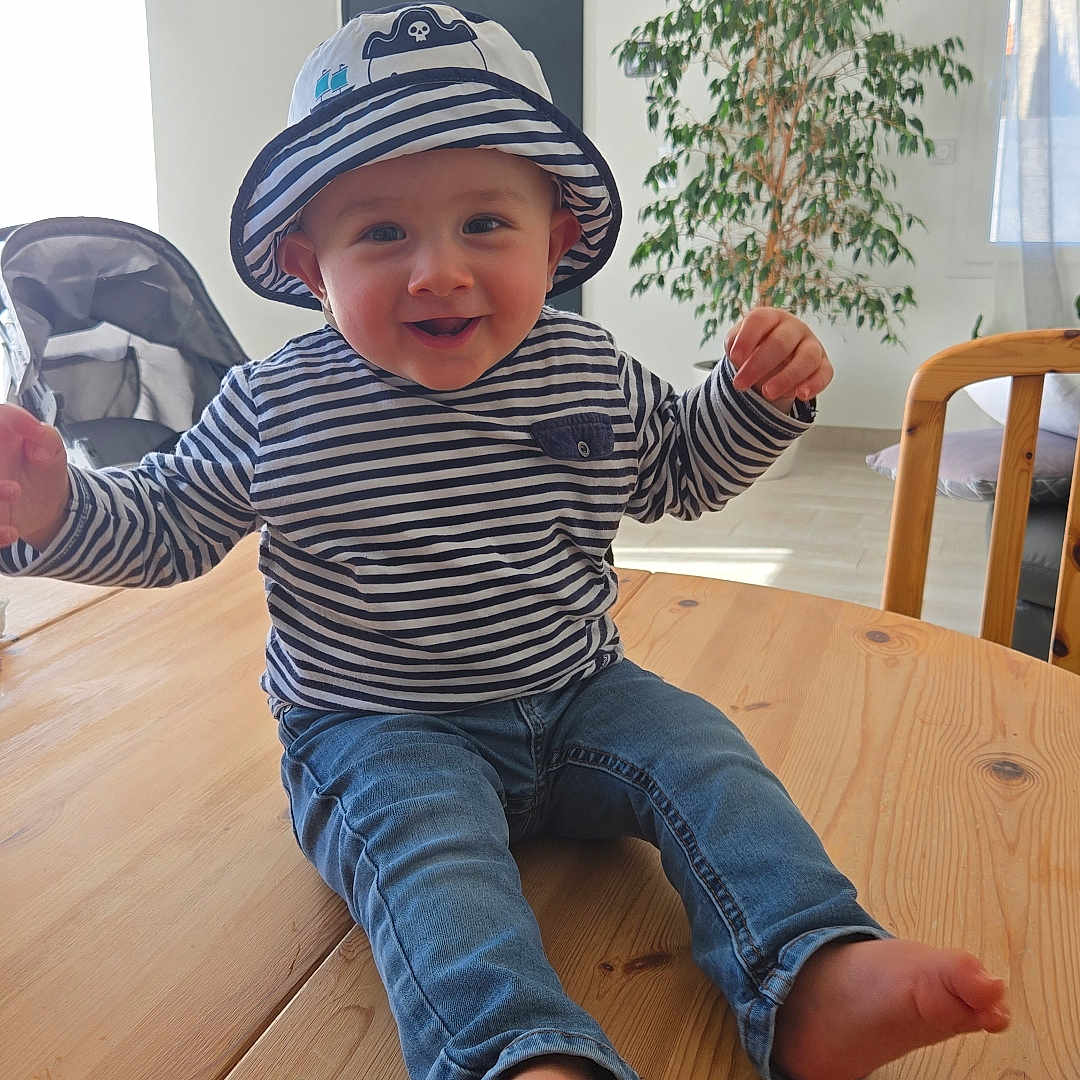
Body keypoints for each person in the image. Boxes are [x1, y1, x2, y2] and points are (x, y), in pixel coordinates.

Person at [0, 7, 1009, 1080]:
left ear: (556, 240)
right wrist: (59, 510)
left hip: (583, 693)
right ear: (309, 264)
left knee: (710, 760)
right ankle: (517, 1054)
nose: (439, 269)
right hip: (378, 727)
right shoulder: (277, 402)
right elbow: (166, 527)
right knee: (433, 870)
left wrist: (751, 401)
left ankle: (811, 970)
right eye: (382, 233)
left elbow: (678, 471)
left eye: (486, 223)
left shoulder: (583, 366)